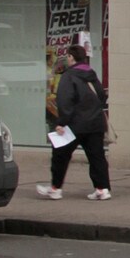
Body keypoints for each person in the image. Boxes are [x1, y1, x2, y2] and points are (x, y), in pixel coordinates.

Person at [40, 41, 111, 202]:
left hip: (75, 124)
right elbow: (101, 95)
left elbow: (65, 101)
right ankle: (102, 189)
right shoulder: (92, 74)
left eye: (68, 56)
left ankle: (55, 188)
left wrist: (61, 122)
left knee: (60, 155)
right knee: (97, 157)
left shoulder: (69, 75)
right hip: (95, 123)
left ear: (71, 57)